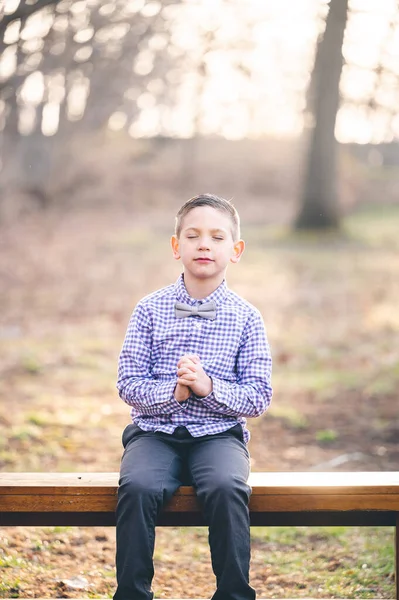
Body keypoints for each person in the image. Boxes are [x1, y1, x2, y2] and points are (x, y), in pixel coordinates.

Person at [114, 193, 273, 600]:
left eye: (217, 237)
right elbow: (128, 383)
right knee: (137, 488)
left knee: (226, 487)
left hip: (219, 435)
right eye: (193, 235)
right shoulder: (149, 310)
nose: (204, 244)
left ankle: (234, 593)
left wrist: (209, 388)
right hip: (154, 433)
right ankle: (132, 594)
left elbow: (257, 397)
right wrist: (174, 391)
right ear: (176, 246)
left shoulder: (247, 318)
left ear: (235, 251)